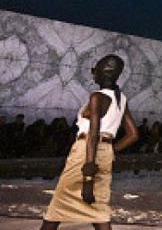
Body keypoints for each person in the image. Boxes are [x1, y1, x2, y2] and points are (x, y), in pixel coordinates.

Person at [40, 55, 139, 230]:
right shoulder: (121, 99)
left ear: (104, 72)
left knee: (56, 209)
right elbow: (133, 135)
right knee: (99, 211)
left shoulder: (97, 97)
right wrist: (108, 150)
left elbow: (93, 134)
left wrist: (88, 176)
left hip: (86, 155)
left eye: (96, 70)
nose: (93, 74)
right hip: (103, 154)